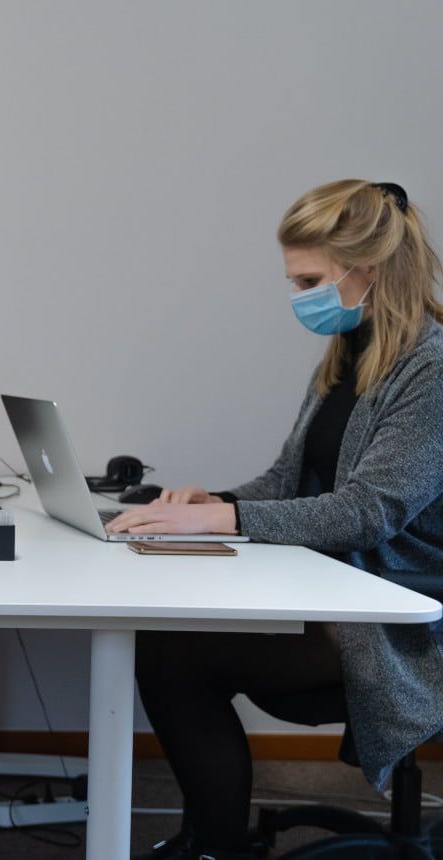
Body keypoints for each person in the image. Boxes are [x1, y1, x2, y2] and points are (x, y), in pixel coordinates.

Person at [106, 179, 443, 859]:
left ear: (368, 269)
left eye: (311, 280)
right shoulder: (352, 351)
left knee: (176, 658)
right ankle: (211, 839)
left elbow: (368, 512)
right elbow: (290, 478)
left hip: (404, 616)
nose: (300, 298)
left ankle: (217, 848)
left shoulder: (430, 371)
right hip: (339, 589)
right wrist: (209, 504)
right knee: (171, 640)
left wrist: (227, 519)